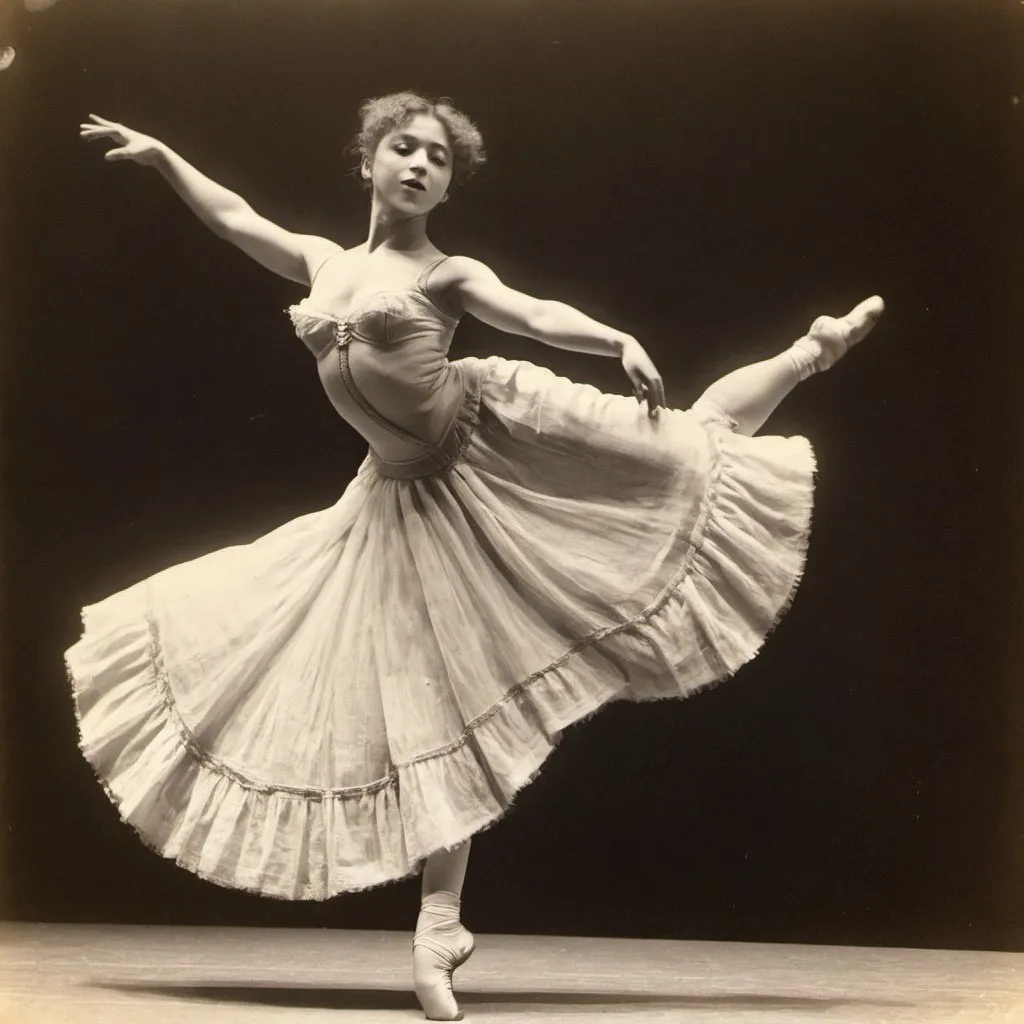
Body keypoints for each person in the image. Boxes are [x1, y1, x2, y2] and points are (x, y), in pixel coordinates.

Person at [69, 92, 883, 1021]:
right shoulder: (326, 264)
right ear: (367, 161)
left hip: (492, 443)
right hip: (397, 499)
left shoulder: (446, 273)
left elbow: (528, 312)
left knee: (690, 449)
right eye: (403, 148)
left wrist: (610, 336)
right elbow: (236, 217)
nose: (419, 165)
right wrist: (165, 154)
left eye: (439, 159)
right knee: (427, 700)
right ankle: (440, 926)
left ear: (447, 185)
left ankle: (809, 354)